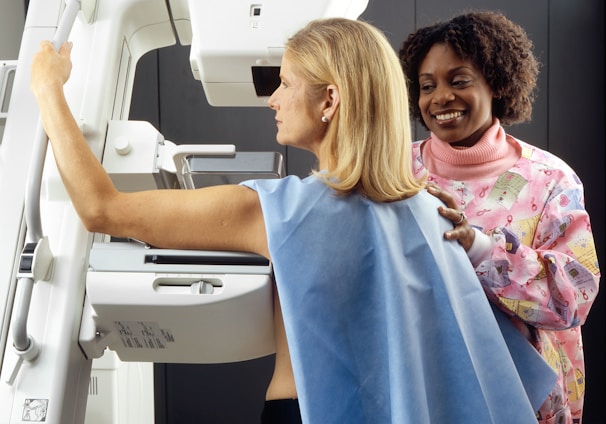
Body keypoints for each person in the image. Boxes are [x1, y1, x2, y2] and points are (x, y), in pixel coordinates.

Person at [31, 18, 555, 424]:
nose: (273, 100)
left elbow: (102, 208)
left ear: (330, 99)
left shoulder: (276, 209)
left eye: (284, 83)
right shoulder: (430, 209)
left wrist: (48, 91)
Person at [399, 11, 600, 424]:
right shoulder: (395, 171)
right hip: (417, 392)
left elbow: (574, 299)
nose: (440, 97)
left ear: (496, 82)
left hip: (522, 403)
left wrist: (480, 248)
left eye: (459, 81)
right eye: (427, 86)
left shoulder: (549, 179)